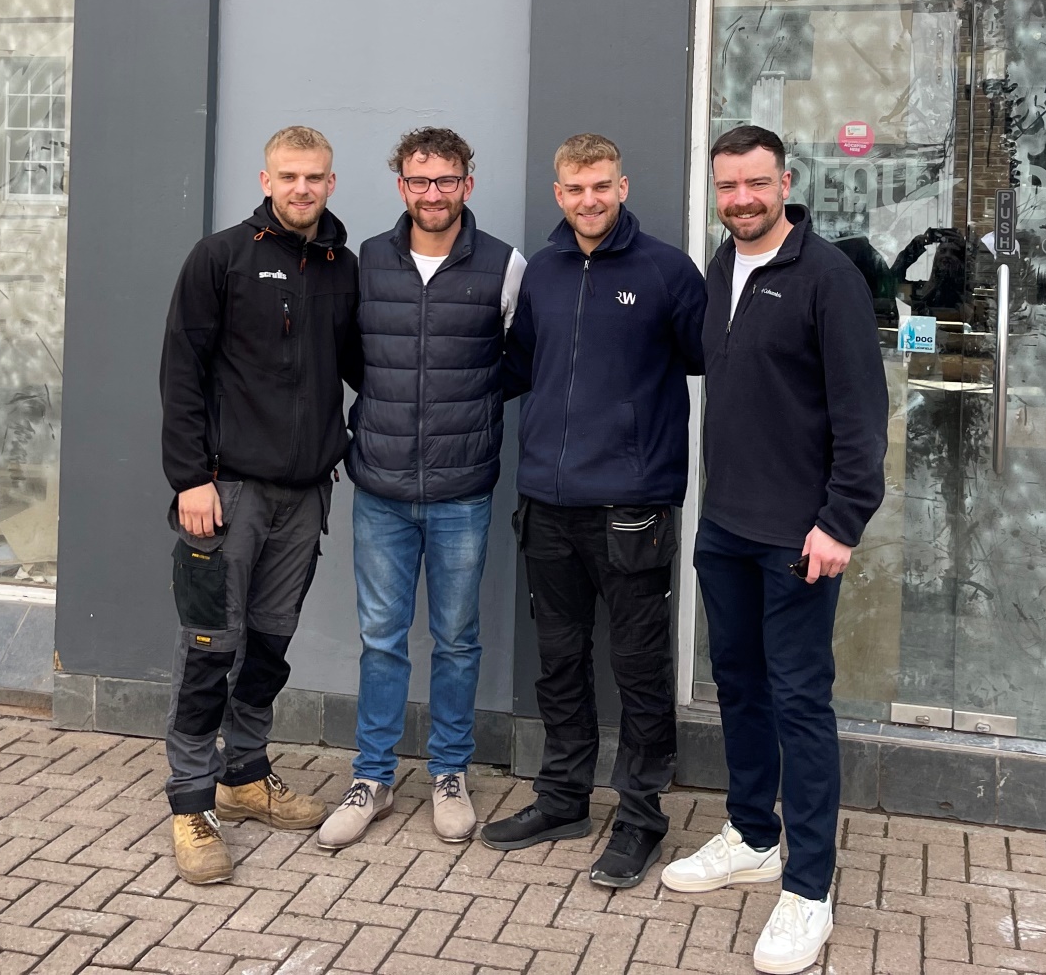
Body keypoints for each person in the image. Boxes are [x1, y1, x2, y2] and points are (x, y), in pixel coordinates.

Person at [661, 124, 886, 975]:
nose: (743, 200)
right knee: (740, 689)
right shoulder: (724, 264)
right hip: (726, 526)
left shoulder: (828, 278)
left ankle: (810, 887)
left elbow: (863, 419)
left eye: (757, 184)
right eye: (728, 187)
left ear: (785, 182)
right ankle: (754, 835)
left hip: (799, 538)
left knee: (801, 703)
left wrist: (841, 522)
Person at [480, 134, 706, 889]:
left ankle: (640, 817)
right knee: (559, 663)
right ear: (558, 193)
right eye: (576, 189)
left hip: (632, 509)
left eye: (602, 187)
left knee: (639, 670)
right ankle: (563, 797)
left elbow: (713, 363)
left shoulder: (668, 272)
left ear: (622, 185)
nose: (589, 201)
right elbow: (518, 370)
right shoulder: (540, 273)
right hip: (545, 503)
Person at [158, 125, 363, 885]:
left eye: (315, 177)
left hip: (304, 496)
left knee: (269, 648)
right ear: (266, 178)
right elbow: (181, 371)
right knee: (211, 646)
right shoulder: (222, 258)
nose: (302, 188)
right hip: (226, 494)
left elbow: (363, 368)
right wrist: (190, 479)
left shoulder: (342, 268)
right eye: (289, 176)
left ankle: (243, 775)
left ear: (331, 183)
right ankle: (190, 802)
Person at [316, 127, 525, 850]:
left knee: (458, 639)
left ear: (468, 183)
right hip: (380, 486)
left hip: (463, 491)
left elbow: (517, 364)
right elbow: (352, 356)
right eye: (418, 181)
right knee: (381, 638)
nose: (431, 193)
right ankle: (371, 777)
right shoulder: (365, 262)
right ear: (401, 186)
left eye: (445, 180)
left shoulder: (504, 265)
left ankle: (448, 774)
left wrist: (458, 414)